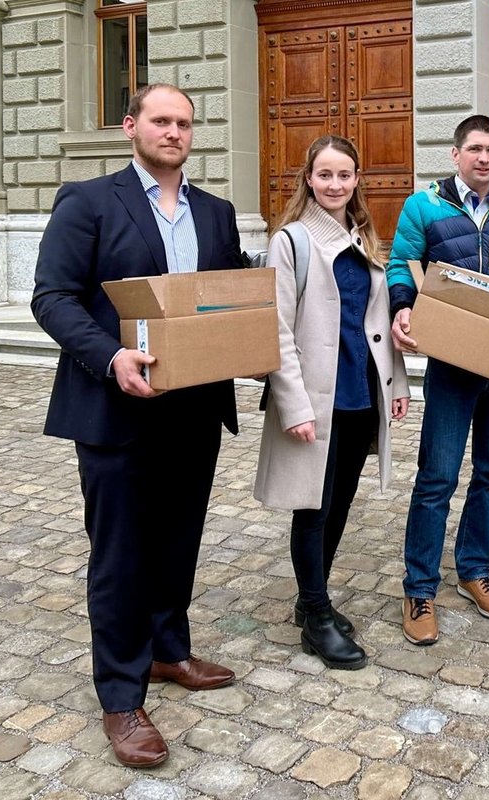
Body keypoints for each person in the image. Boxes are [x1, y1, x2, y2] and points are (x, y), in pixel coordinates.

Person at [32, 84, 242, 768]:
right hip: (116, 405)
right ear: (131, 127)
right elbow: (53, 296)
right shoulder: (89, 201)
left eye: (184, 122)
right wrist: (110, 355)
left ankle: (167, 651)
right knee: (121, 554)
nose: (174, 131)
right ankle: (121, 698)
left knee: (178, 539)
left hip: (194, 407)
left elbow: (226, 298)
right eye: (161, 120)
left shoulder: (217, 212)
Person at [386, 114, 489, 645]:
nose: (484, 158)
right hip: (451, 367)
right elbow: (400, 264)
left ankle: (475, 568)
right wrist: (403, 308)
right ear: (454, 155)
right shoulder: (423, 207)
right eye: (475, 149)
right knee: (437, 477)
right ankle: (420, 587)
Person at [253, 135, 410, 670]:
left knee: (340, 501)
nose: (335, 185)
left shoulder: (364, 237)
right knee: (313, 507)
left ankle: (308, 599)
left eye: (344, 175)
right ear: (309, 179)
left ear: (357, 178)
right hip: (314, 396)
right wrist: (292, 404)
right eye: (325, 175)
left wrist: (398, 384)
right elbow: (275, 327)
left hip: (360, 390)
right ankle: (317, 617)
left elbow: (380, 321)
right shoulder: (293, 240)